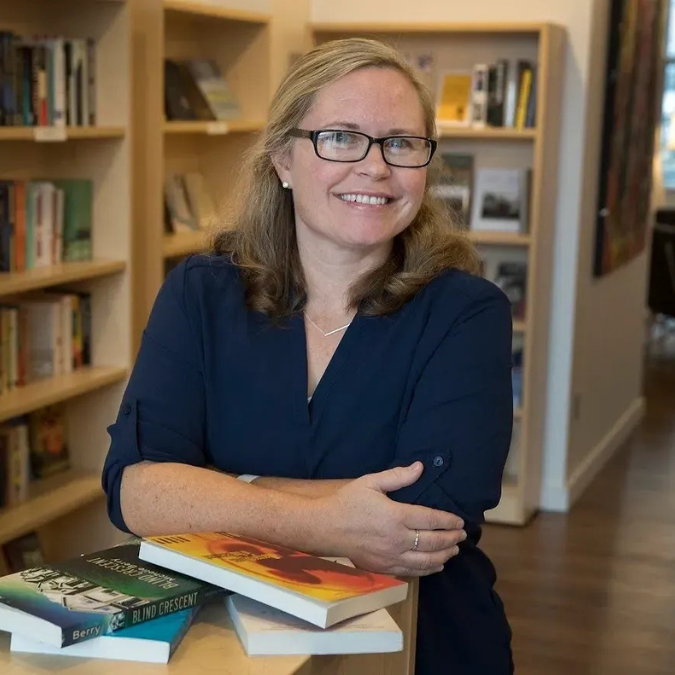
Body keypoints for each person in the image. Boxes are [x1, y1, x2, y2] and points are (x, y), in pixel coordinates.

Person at [102, 37, 514, 674]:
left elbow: (426, 526)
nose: (375, 167)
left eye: (401, 143)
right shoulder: (201, 293)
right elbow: (134, 494)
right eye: (342, 137)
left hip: (413, 640)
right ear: (282, 159)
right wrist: (333, 522)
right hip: (225, 644)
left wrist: (214, 490)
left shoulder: (467, 312)